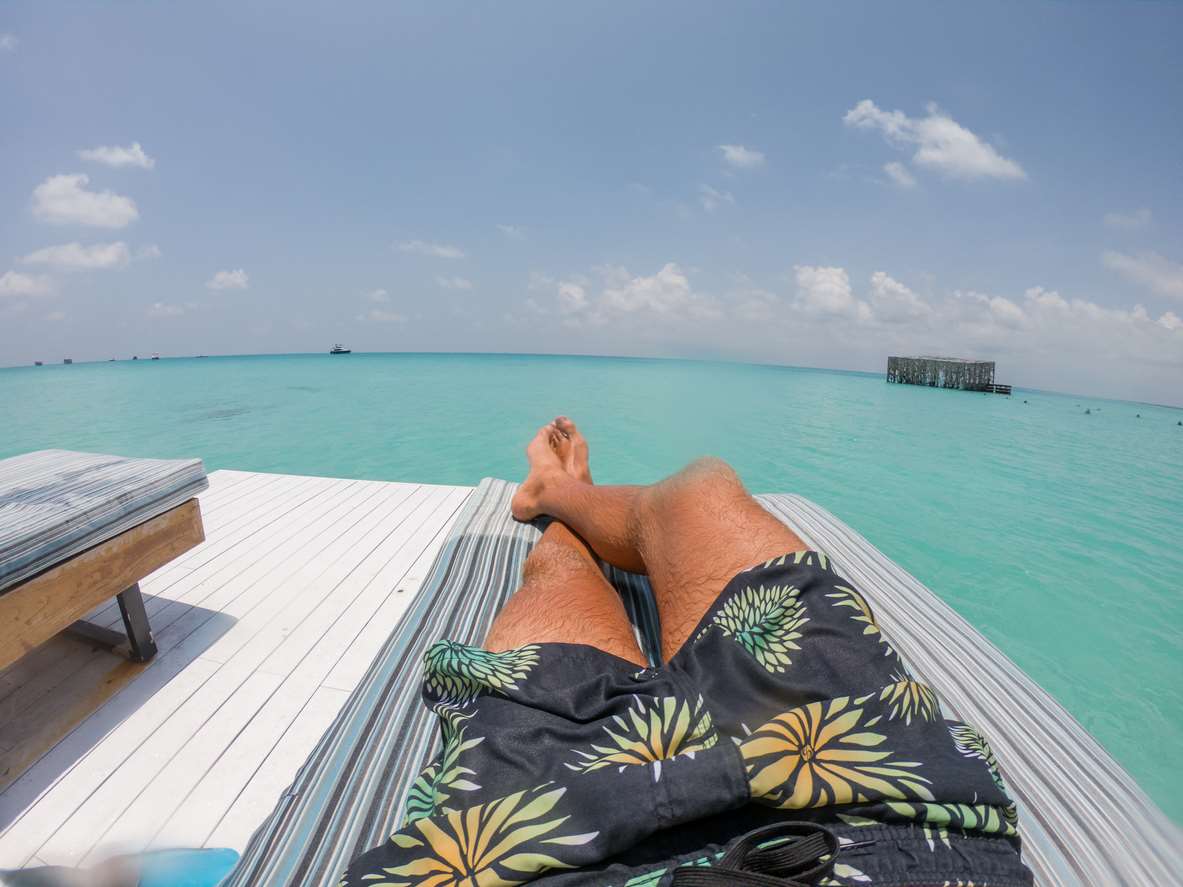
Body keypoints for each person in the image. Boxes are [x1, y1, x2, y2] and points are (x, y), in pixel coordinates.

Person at [342, 418, 1031, 886]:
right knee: (701, 488)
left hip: (539, 844)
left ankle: (558, 503)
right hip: (872, 794)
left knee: (560, 577)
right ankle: (570, 493)